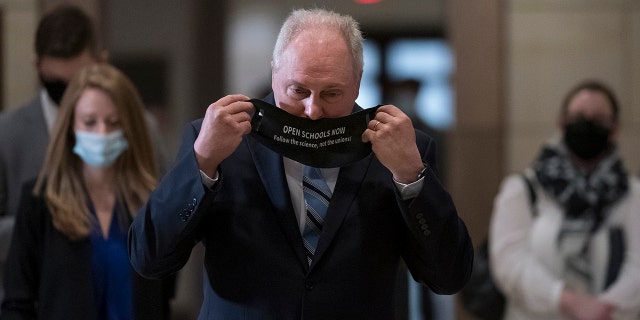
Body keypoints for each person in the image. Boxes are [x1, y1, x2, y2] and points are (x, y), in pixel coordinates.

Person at [128, 8, 473, 319]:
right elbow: (150, 259)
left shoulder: (399, 148)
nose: (313, 110)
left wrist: (411, 176)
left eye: (331, 93)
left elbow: (448, 276)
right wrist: (202, 162)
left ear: (357, 82)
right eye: (298, 90)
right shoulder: (217, 139)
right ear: (274, 73)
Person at [0, 4, 168, 302]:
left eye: (80, 80)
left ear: (101, 62)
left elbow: (165, 227)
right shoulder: (8, 133)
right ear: (37, 66)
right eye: (56, 87)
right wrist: (45, 224)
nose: (71, 94)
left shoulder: (141, 129)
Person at [489, 80, 640, 319]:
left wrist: (603, 308)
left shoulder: (633, 194)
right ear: (562, 123)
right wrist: (565, 301)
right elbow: (510, 263)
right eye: (579, 116)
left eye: (599, 119)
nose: (588, 125)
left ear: (614, 128)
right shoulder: (524, 189)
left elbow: (637, 266)